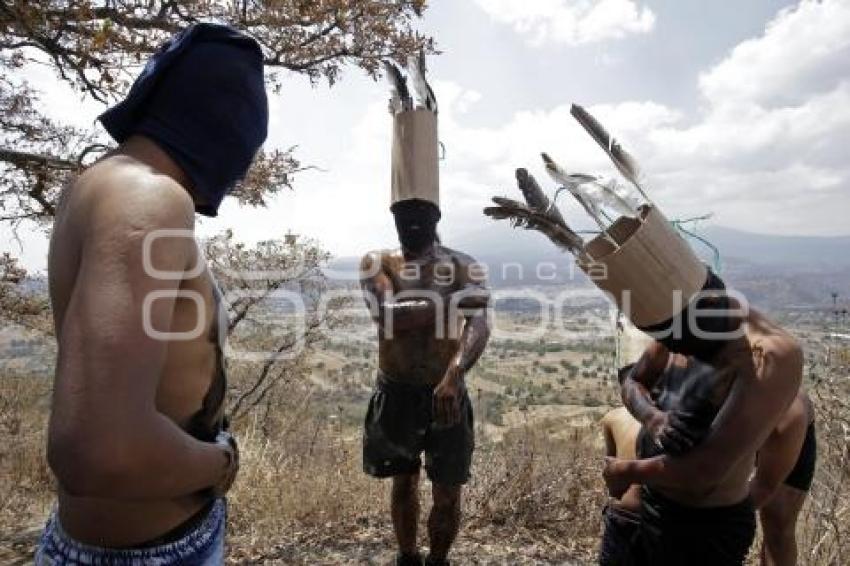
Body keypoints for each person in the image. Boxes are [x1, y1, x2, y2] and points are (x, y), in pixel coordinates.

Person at [38, 23, 268, 565]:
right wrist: (221, 466)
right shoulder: (148, 196)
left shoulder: (99, 183)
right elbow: (98, 452)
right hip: (148, 553)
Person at [360, 59, 491, 566]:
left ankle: (437, 561)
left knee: (448, 488)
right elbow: (388, 317)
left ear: (435, 217)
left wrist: (455, 374)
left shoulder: (463, 264)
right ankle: (407, 556)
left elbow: (479, 322)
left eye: (417, 216)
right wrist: (450, 302)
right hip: (394, 389)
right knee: (402, 482)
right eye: (400, 216)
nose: (407, 225)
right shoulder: (378, 261)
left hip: (446, 390)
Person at [752, 390, 816, 566]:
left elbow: (765, 488)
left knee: (778, 524)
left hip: (782, 415)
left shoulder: (789, 408)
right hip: (717, 414)